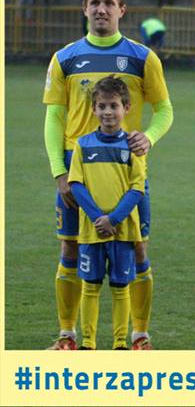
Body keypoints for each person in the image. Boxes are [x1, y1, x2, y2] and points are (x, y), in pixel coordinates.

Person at [44, 0, 173, 351]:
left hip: (125, 170)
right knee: (70, 249)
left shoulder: (142, 58)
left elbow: (164, 109)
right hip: (76, 169)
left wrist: (149, 136)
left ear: (122, 9)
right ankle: (68, 335)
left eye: (109, 3)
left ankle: (139, 336)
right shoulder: (65, 59)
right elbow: (54, 118)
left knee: (137, 250)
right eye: (95, 3)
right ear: (84, 8)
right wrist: (59, 171)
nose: (102, 9)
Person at [67, 76, 147, 350]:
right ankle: (88, 343)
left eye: (114, 106)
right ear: (93, 109)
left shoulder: (133, 146)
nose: (108, 112)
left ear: (126, 107)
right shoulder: (83, 144)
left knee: (120, 287)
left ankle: (119, 343)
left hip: (122, 230)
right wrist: (97, 219)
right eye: (102, 106)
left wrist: (112, 219)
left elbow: (137, 188)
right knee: (90, 285)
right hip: (91, 231)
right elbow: (76, 184)